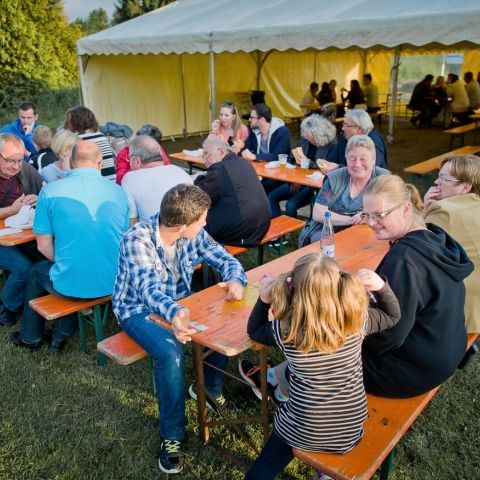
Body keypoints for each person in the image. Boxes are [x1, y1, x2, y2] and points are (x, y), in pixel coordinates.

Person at [112, 184, 247, 474]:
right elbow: (148, 291)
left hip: (181, 304)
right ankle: (172, 435)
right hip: (138, 310)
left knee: (221, 321)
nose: (206, 223)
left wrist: (236, 279)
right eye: (203, 220)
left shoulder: (191, 232)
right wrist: (176, 313)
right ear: (183, 225)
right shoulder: (137, 239)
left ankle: (209, 390)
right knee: (170, 351)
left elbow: (224, 258)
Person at [241, 253, 400, 479]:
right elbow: (392, 315)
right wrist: (381, 287)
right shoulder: (357, 320)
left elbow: (254, 331)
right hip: (349, 429)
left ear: (294, 289)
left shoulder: (285, 330)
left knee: (268, 461)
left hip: (304, 426)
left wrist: (264, 299)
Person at [10, 141, 129, 352]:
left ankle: (31, 337)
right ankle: (60, 333)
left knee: (37, 270)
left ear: (71, 163)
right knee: (73, 268)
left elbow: (43, 247)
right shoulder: (119, 191)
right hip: (114, 281)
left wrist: (68, 260)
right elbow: (122, 237)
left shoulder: (51, 191)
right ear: (100, 163)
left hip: (75, 284)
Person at [361, 175, 474, 397]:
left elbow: (389, 335)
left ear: (405, 209)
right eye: (367, 214)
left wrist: (347, 333)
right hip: (444, 353)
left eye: (379, 215)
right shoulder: (434, 235)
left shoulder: (404, 260)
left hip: (411, 371)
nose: (370, 222)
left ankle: (283, 382)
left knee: (322, 347)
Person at [423, 154, 480, 333]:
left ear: (465, 186)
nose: (436, 182)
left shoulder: (444, 210)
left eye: (443, 178)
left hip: (463, 307)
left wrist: (426, 210)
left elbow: (416, 248)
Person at [299, 135, 388, 246]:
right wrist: (350, 220)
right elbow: (318, 213)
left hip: (368, 229)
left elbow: (390, 208)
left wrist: (366, 215)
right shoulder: (334, 179)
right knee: (326, 243)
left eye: (363, 159)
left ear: (373, 160)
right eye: (352, 159)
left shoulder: (383, 178)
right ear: (346, 159)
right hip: (330, 229)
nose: (357, 164)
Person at [194, 138, 271, 245]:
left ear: (221, 152)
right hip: (261, 226)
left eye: (207, 154)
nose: (204, 158)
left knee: (193, 221)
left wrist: (198, 178)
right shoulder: (244, 162)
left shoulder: (220, 169)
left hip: (244, 232)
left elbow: (198, 195)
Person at [0, 134, 42, 326]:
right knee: (22, 267)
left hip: (22, 233)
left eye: (20, 160)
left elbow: (45, 193)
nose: (16, 166)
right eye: (10, 161)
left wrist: (37, 198)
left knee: (44, 258)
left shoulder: (27, 171)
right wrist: (11, 210)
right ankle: (6, 307)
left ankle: (36, 303)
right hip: (4, 239)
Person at [267, 115, 337, 218]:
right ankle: (281, 231)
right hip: (298, 181)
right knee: (272, 196)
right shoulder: (304, 141)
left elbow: (327, 167)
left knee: (290, 205)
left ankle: (297, 229)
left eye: (311, 137)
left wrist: (308, 162)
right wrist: (294, 175)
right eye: (306, 136)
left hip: (314, 185)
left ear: (319, 134)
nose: (308, 139)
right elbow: (292, 160)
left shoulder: (331, 145)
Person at [121, 135, 192, 224]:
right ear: (161, 154)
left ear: (137, 161)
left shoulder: (129, 178)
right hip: (188, 232)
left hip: (155, 235)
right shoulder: (180, 171)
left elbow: (132, 221)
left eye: (129, 158)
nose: (129, 163)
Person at [64, 106, 116, 180]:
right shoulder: (102, 137)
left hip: (93, 185)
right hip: (110, 183)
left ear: (75, 122)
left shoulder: (78, 141)